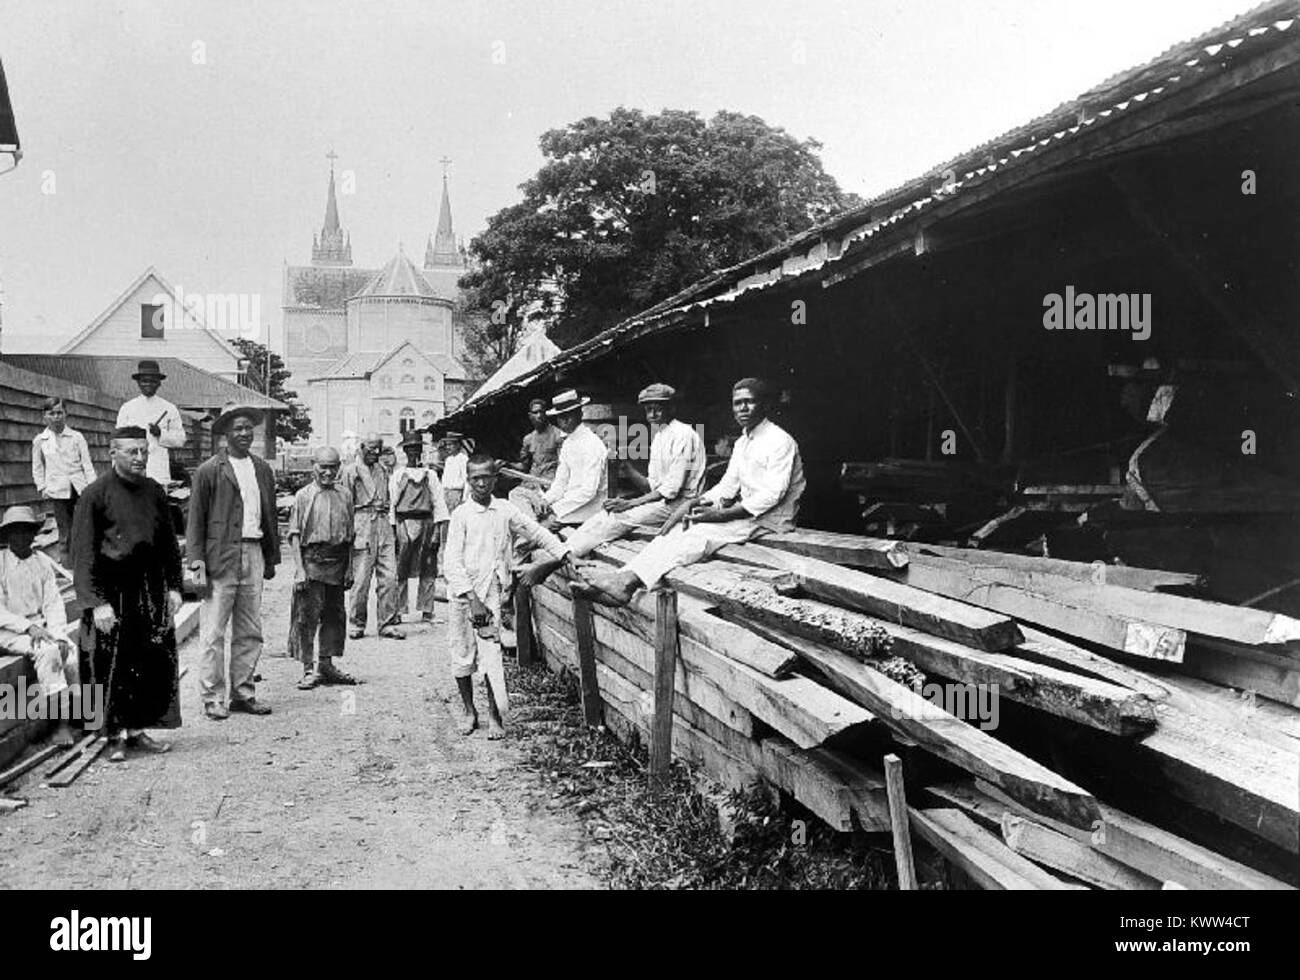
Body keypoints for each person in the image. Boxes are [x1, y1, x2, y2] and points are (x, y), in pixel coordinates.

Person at [578, 378, 805, 606]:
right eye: (737, 403)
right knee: (673, 533)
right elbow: (727, 485)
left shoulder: (779, 440)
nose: (742, 409)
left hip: (771, 519)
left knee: (696, 536)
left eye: (749, 402)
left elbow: (772, 494)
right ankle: (621, 579)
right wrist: (696, 502)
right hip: (748, 514)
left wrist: (720, 515)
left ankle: (627, 583)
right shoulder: (743, 442)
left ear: (764, 405)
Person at [71, 426, 183, 761]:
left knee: (146, 662)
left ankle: (137, 731)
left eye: (143, 451)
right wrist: (96, 603)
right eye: (131, 451)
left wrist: (175, 586)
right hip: (111, 593)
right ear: (112, 453)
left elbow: (167, 544)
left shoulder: (154, 491)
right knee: (109, 666)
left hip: (148, 591)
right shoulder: (95, 494)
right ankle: (112, 736)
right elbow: (82, 553)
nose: (139, 458)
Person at [443, 454, 571, 738]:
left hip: (492, 590)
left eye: (486, 477)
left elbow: (536, 532)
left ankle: (494, 715)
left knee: (491, 654)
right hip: (464, 595)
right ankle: (468, 711)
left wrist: (565, 552)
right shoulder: (461, 516)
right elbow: (451, 562)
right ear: (468, 480)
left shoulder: (504, 510)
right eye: (475, 478)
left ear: (494, 479)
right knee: (462, 651)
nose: (480, 483)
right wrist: (472, 600)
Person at [186, 402, 280, 721]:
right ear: (226, 434)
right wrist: (196, 563)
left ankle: (243, 692)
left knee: (250, 629)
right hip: (220, 556)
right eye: (237, 428)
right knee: (213, 631)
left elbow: (269, 517)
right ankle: (212, 696)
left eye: (247, 428)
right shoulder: (210, 470)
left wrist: (270, 557)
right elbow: (195, 521)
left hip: (253, 551)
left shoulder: (262, 469)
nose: (243, 433)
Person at [561, 383, 706, 561]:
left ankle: (566, 555)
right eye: (648, 410)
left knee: (617, 519)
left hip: (683, 505)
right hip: (664, 504)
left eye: (658, 409)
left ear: (671, 408)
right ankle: (563, 549)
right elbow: (651, 487)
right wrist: (627, 467)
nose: (652, 415)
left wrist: (630, 504)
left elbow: (671, 489)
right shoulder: (660, 436)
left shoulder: (684, 434)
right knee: (604, 516)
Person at [0, 506, 77, 746]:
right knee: (48, 652)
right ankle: (60, 724)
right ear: (7, 536)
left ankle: (81, 713)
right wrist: (28, 628)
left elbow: (53, 603)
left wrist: (58, 634)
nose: (22, 537)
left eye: (27, 532)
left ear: (34, 535)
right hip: (9, 629)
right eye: (16, 532)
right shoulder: (1, 563)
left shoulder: (42, 562)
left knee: (71, 651)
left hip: (40, 626)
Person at [288, 447, 359, 689]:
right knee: (306, 617)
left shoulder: (346, 495)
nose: (328, 472)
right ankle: (308, 668)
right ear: (313, 465)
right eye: (323, 466)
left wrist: (349, 568)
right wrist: (299, 569)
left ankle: (326, 664)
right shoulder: (304, 496)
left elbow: (350, 536)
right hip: (312, 562)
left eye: (332, 467)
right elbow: (294, 535)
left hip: (337, 563)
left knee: (334, 615)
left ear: (339, 467)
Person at [508, 389, 607, 536]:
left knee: (530, 528)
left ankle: (533, 535)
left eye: (569, 415)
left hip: (588, 508)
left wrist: (556, 509)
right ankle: (534, 532)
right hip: (567, 502)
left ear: (580, 414)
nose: (564, 420)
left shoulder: (592, 444)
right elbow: (560, 482)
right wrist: (546, 501)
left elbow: (588, 492)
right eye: (561, 417)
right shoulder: (568, 443)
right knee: (518, 496)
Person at [342, 435, 403, 639]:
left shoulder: (382, 470)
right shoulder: (350, 471)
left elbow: (388, 498)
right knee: (361, 579)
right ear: (361, 448)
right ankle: (356, 623)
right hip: (361, 524)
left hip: (383, 524)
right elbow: (344, 504)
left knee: (389, 576)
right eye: (370, 449)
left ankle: (386, 622)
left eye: (378, 449)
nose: (375, 453)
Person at [391, 430, 450, 623]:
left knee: (428, 568)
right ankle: (399, 610)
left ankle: (427, 610)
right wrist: (394, 530)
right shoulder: (398, 475)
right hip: (404, 524)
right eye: (410, 449)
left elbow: (439, 502)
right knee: (400, 569)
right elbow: (392, 504)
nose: (414, 453)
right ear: (405, 451)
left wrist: (437, 532)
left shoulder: (430, 475)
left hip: (426, 522)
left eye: (417, 449)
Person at [30, 397, 97, 565]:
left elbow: (87, 464)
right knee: (65, 529)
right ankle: (67, 563)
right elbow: (37, 467)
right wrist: (42, 487)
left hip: (79, 487)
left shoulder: (76, 437)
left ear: (66, 414)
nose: (56, 417)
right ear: (44, 416)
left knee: (83, 525)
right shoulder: (40, 440)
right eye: (51, 413)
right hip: (58, 490)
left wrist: (92, 487)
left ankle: (85, 561)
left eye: (59, 412)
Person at [116, 359, 186, 487]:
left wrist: (161, 434)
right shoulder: (127, 408)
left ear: (159, 383)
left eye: (153, 381)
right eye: (144, 381)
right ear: (138, 383)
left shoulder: (169, 408)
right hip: (132, 470)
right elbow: (118, 442)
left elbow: (181, 440)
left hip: (158, 471)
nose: (148, 384)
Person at [439, 431, 469, 512]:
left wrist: (464, 497)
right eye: (446, 445)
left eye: (450, 445)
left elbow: (466, 479)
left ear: (458, 445)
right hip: (446, 494)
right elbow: (444, 478)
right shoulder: (448, 459)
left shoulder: (463, 459)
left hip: (457, 494)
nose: (448, 447)